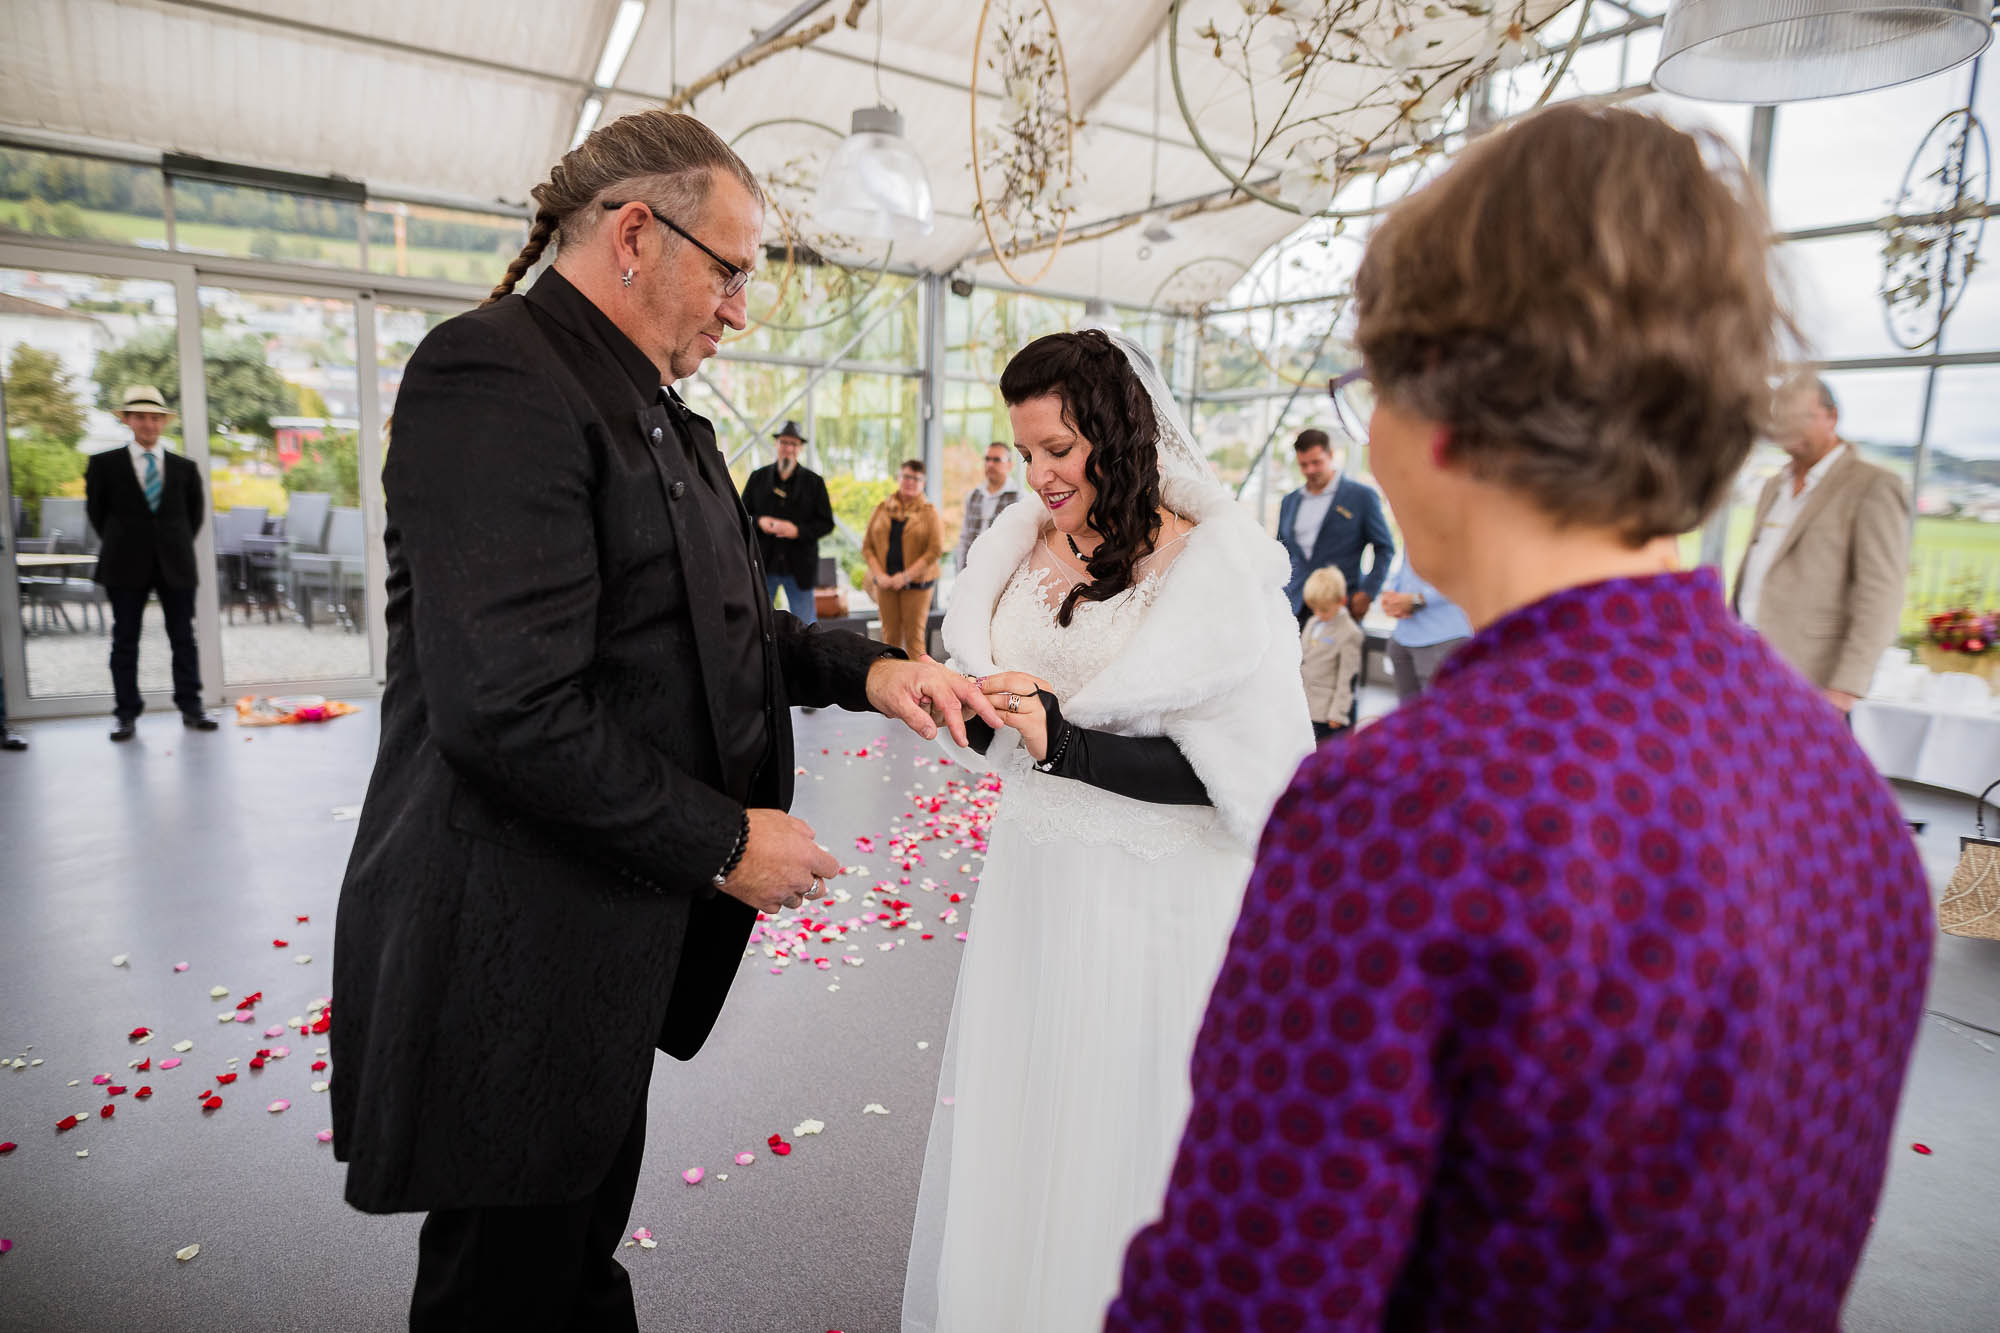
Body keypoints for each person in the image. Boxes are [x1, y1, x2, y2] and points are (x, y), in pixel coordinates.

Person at [1109, 103, 1931, 1332]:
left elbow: (1241, 1294)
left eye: (1365, 381)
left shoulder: (1408, 808)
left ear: (1443, 402)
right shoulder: (1841, 792)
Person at [329, 110, 996, 1333]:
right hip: (513, 945)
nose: (740, 309)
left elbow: (723, 626)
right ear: (635, 233)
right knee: (514, 1286)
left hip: (600, 928)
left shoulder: (656, 412)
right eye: (731, 270)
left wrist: (871, 673)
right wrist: (725, 841)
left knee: (569, 1251)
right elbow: (509, 705)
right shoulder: (495, 375)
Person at [902, 329, 1311, 1333]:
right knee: (1027, 1126)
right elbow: (1014, 714)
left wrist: (1063, 746)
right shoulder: (1016, 549)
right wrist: (976, 710)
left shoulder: (1210, 569)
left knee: (1120, 1138)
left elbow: (1247, 782)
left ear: (1116, 435)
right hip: (1035, 883)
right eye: (1025, 450)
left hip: (1150, 900)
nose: (1037, 475)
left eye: (1058, 450)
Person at [1734, 376, 1909, 714]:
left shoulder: (1873, 485)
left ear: (1832, 417)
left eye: (1803, 416)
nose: (1788, 427)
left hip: (1813, 676)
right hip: (1747, 665)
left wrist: (1846, 688)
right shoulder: (1774, 485)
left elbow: (1882, 592)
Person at [84, 384, 216, 741]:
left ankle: (191, 707)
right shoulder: (103, 464)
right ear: (127, 420)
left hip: (176, 563)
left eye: (155, 418)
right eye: (140, 417)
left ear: (163, 423)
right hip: (123, 564)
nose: (148, 424)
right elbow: (97, 514)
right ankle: (125, 714)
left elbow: (194, 517)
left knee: (183, 639)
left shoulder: (184, 468)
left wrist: (169, 545)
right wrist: (130, 541)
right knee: (125, 640)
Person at [1276, 427, 1393, 623]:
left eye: (1316, 462)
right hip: (1295, 604)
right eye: (1303, 465)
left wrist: (1367, 593)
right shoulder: (1290, 501)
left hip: (1340, 605)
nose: (1310, 470)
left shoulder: (1361, 497)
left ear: (1330, 455)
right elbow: (1282, 551)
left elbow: (1385, 548)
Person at [742, 418, 835, 625]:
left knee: (806, 625)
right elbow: (740, 515)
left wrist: (798, 531)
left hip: (800, 567)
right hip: (764, 564)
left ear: (800, 447)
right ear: (776, 444)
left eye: (793, 444)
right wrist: (759, 521)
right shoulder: (757, 478)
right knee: (758, 621)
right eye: (784, 442)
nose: (788, 448)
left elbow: (826, 523)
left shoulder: (814, 483)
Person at [864, 459, 943, 661]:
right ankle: (890, 685)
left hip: (917, 585)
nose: (910, 482)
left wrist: (906, 576)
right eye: (907, 476)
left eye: (916, 479)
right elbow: (867, 547)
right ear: (899, 477)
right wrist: (879, 575)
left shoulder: (929, 513)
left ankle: (922, 687)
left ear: (923, 483)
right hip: (885, 584)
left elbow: (934, 551)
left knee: (914, 639)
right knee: (889, 638)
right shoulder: (881, 508)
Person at [1379, 558, 1472, 701]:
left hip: (1442, 639)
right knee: (1409, 715)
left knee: (1440, 715)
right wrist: (1389, 594)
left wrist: (1417, 600)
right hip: (1403, 638)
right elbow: (1404, 565)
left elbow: (1463, 576)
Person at [1299, 565, 1364, 741]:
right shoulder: (1312, 622)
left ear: (1341, 601)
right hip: (1305, 705)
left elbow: (1347, 678)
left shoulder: (1350, 633)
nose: (1318, 614)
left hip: (1327, 712)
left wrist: (1339, 712)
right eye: (1314, 608)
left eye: (1324, 610)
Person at [955, 440, 1021, 571]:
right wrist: (960, 569)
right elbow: (965, 537)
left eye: (996, 460)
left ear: (1009, 465)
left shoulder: (1019, 497)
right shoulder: (973, 495)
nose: (990, 464)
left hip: (1001, 571)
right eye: (987, 459)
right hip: (971, 569)